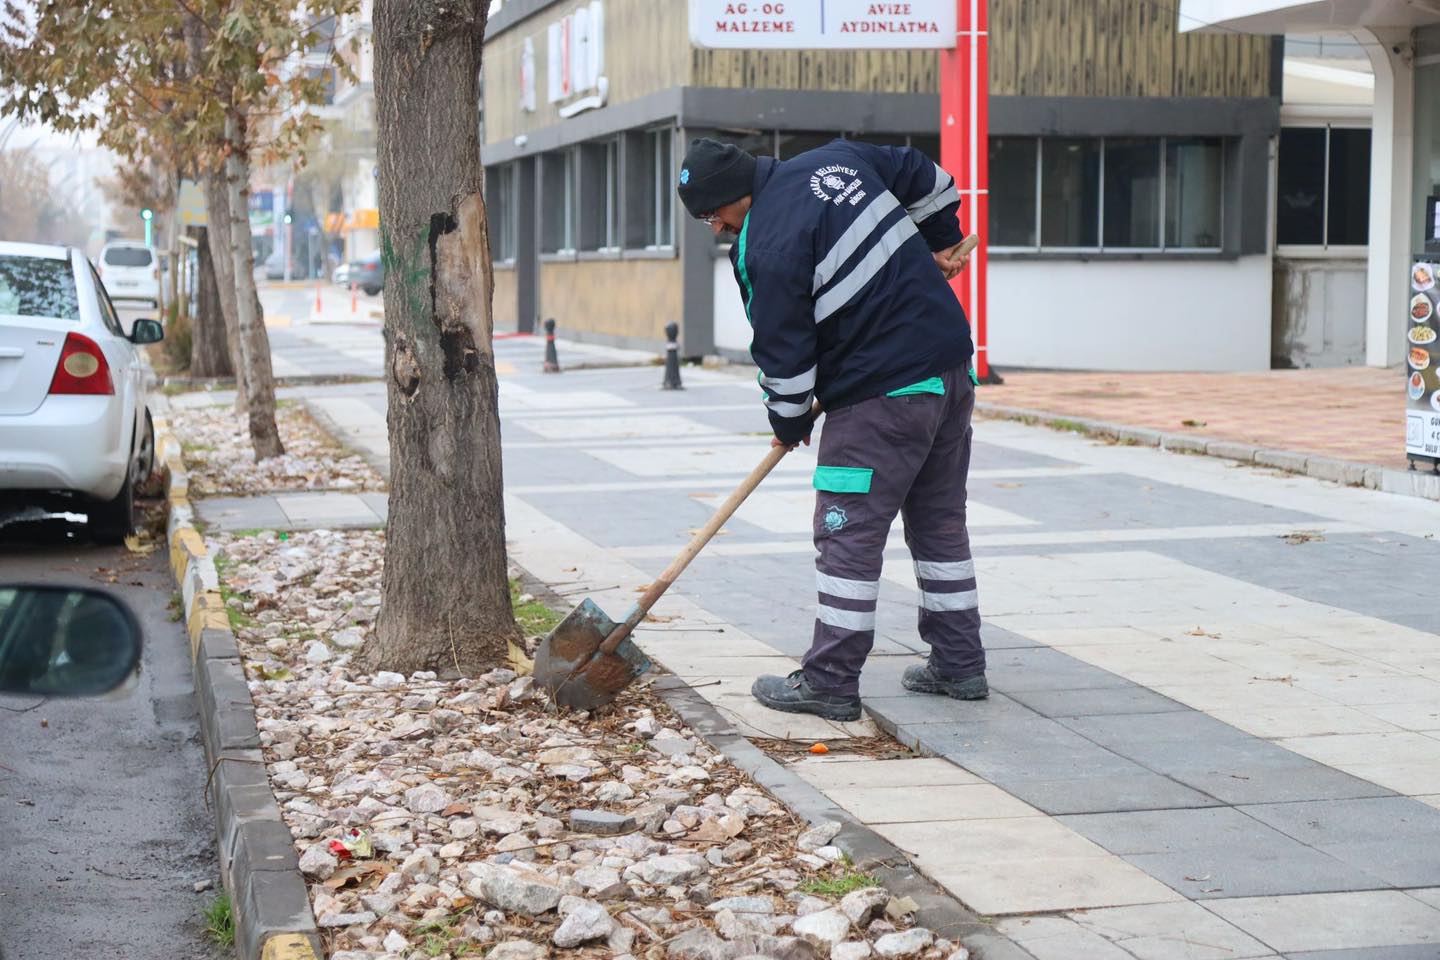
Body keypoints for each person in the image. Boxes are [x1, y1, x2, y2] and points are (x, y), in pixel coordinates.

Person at [677, 136, 985, 722]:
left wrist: (787, 422)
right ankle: (960, 664)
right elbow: (930, 177)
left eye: (710, 213)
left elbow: (783, 354)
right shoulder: (837, 159)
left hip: (880, 397)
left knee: (846, 535)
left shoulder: (763, 246)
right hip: (948, 371)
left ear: (732, 197)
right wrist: (939, 239)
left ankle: (830, 680)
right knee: (941, 523)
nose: (714, 226)